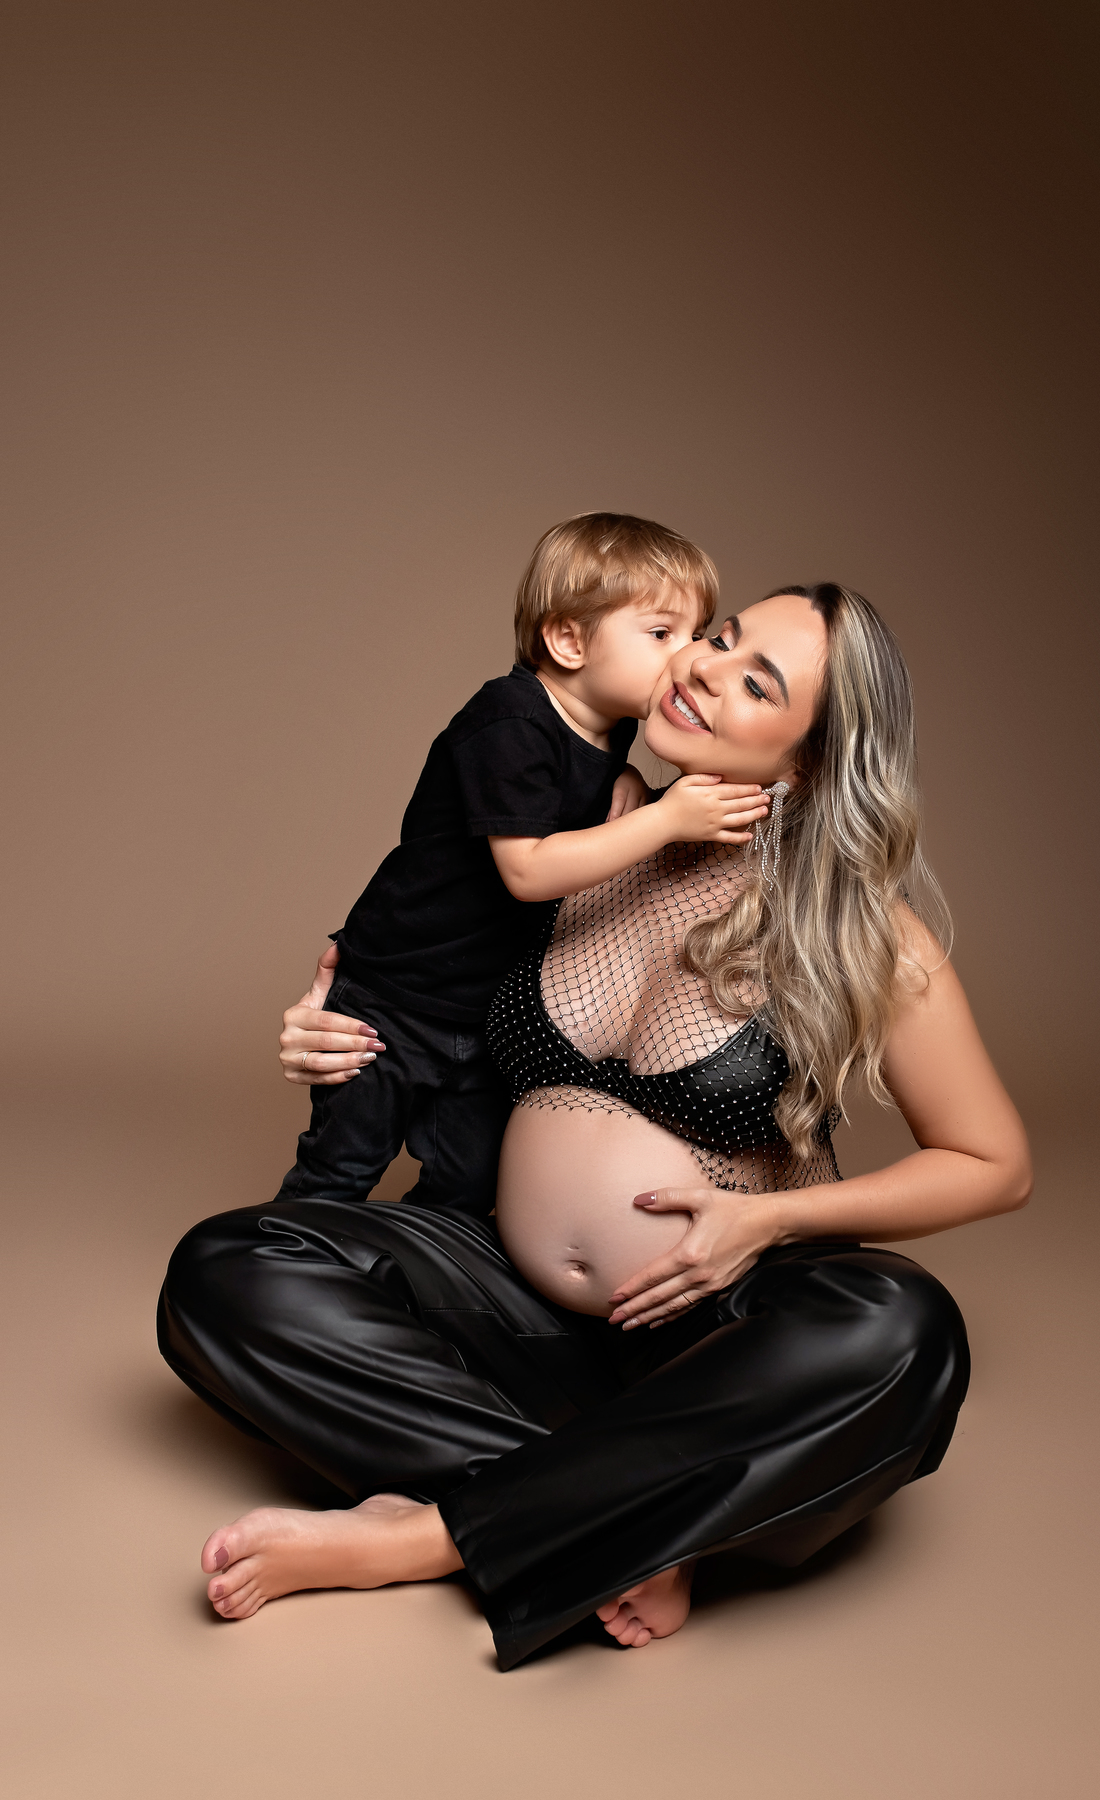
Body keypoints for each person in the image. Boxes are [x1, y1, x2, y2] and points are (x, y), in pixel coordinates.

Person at [158, 583, 1032, 1670]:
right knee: (228, 1264)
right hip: (509, 1306)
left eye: (758, 682)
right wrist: (331, 1032)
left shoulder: (857, 925)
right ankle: (630, 1515)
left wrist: (767, 1224)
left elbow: (993, 1164)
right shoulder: (571, 839)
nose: (705, 666)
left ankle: (422, 1535)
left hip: (717, 1330)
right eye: (720, 638)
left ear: (808, 763)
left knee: (904, 1329)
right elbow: (406, 986)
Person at [275, 510, 768, 1221]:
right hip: (397, 996)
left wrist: (625, 779)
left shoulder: (612, 727)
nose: (686, 656)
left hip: (484, 1010)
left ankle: (401, 1271)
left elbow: (573, 787)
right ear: (568, 641)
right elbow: (528, 872)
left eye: (697, 632)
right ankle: (281, 1260)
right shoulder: (508, 718)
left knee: (471, 1186)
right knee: (341, 1166)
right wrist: (664, 820)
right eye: (661, 633)